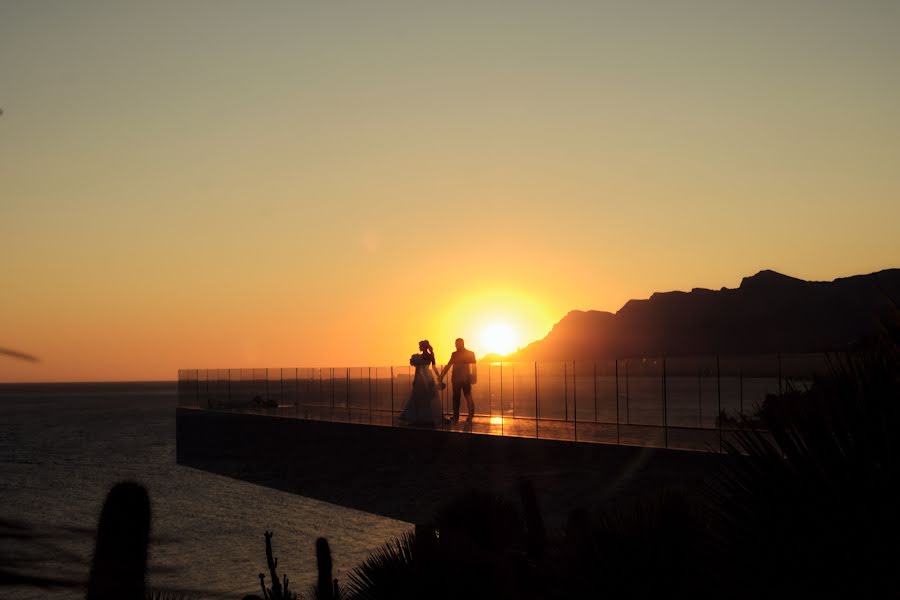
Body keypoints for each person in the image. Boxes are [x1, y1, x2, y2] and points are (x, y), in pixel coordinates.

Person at [398, 340, 447, 427]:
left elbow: (418, 370)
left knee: (418, 398)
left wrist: (415, 380)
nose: (419, 347)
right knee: (430, 398)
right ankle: (429, 417)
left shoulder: (417, 357)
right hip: (428, 377)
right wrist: (439, 376)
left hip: (421, 379)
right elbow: (434, 367)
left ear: (424, 347)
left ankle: (417, 418)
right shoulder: (430, 355)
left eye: (420, 346)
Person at [439, 338, 477, 422]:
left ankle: (461, 416)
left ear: (460, 344)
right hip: (459, 379)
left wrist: (441, 375)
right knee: (464, 397)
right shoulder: (466, 353)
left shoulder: (462, 354)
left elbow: (448, 366)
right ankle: (465, 415)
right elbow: (449, 365)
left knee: (463, 397)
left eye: (456, 344)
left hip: (462, 379)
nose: (455, 345)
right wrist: (441, 375)